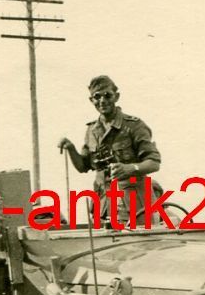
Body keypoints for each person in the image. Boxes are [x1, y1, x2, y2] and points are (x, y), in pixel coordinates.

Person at [58, 75, 162, 226]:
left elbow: (154, 162)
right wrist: (71, 148)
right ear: (91, 100)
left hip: (135, 208)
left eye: (107, 95)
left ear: (116, 97)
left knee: (138, 241)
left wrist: (130, 168)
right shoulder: (92, 130)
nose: (102, 100)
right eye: (97, 97)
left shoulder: (134, 126)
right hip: (104, 207)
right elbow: (83, 166)